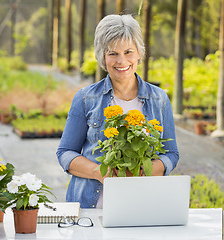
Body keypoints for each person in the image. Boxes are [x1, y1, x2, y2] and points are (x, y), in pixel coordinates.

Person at [56, 14, 179, 208]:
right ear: (103, 57)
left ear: (139, 53)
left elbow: (171, 155)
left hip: (143, 207)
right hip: (91, 208)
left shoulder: (159, 99)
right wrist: (98, 171)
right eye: (113, 53)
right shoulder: (86, 98)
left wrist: (143, 171)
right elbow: (65, 153)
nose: (121, 61)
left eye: (128, 51)